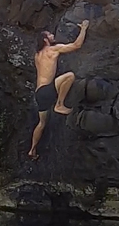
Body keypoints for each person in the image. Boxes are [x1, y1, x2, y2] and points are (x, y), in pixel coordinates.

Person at [28, 20, 89, 159]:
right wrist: (84, 28)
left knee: (42, 123)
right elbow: (76, 45)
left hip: (39, 93)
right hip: (47, 90)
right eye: (49, 35)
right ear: (45, 39)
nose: (52, 35)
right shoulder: (52, 50)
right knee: (70, 76)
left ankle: (32, 149)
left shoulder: (37, 55)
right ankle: (59, 104)